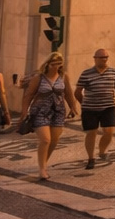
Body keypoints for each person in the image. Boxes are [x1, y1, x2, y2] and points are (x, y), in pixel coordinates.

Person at [21, 52, 77, 181]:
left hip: (58, 111)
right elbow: (28, 95)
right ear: (47, 64)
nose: (56, 67)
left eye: (59, 64)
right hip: (40, 110)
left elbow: (68, 93)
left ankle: (43, 162)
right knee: (45, 139)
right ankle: (42, 169)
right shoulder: (39, 78)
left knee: (54, 140)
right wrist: (24, 112)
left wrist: (73, 107)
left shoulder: (63, 77)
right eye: (53, 64)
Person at [75, 47, 115, 170]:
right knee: (92, 132)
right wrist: (83, 103)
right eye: (101, 57)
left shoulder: (113, 72)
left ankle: (102, 151)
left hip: (108, 106)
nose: (104, 60)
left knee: (109, 131)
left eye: (106, 57)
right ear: (95, 59)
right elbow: (77, 91)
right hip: (90, 108)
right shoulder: (86, 73)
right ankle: (91, 158)